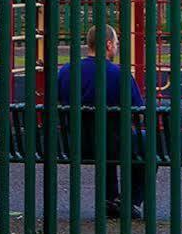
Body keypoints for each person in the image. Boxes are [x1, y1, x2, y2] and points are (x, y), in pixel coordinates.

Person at [54, 24, 148, 219]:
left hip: (76, 144)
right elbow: (140, 114)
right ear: (108, 45)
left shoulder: (66, 71)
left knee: (108, 135)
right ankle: (128, 200)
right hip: (113, 144)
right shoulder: (119, 75)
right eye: (116, 43)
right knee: (146, 142)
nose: (116, 47)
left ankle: (110, 198)